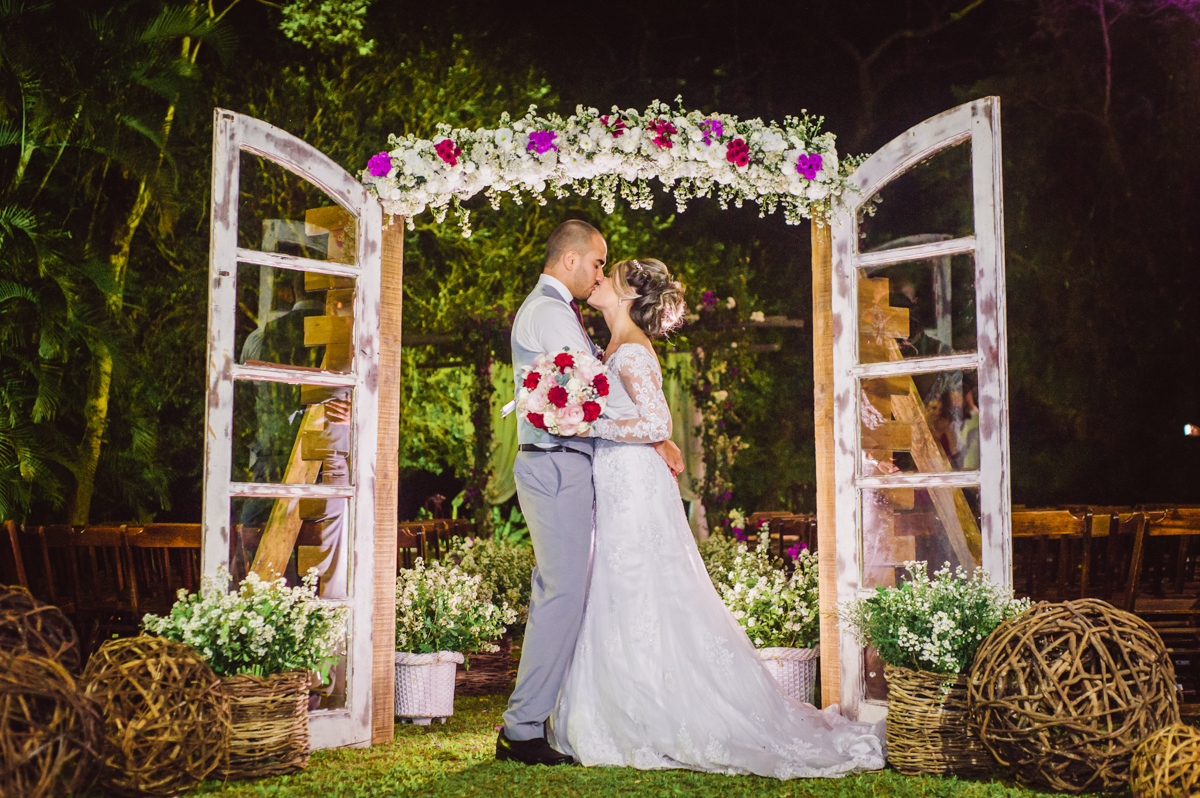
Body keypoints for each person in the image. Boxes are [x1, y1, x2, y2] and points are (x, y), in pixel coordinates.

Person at [549, 257, 886, 779]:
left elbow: (657, 421)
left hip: (634, 481)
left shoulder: (634, 350)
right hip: (619, 477)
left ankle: (652, 711)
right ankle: (626, 702)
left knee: (639, 584)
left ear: (626, 296)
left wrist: (589, 428)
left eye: (605, 277)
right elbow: (644, 420)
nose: (595, 281)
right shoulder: (613, 346)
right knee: (620, 587)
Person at [497, 221, 683, 766]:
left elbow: (589, 393)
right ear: (572, 260)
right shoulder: (551, 312)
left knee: (568, 592)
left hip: (568, 464)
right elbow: (588, 396)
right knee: (562, 594)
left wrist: (658, 435)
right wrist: (657, 433)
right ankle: (523, 728)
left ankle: (533, 721)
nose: (602, 272)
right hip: (556, 465)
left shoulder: (558, 311)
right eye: (598, 262)